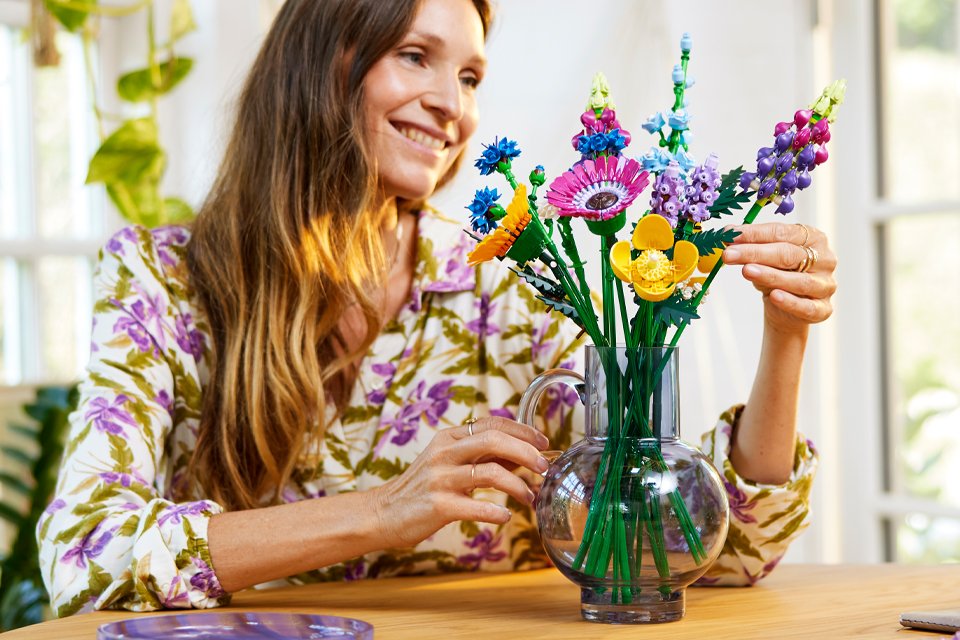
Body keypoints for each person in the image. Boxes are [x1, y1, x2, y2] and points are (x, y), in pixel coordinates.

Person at [37, 0, 835, 616]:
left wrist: (787, 333)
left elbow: (707, 550)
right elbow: (82, 557)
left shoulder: (512, 284)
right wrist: (383, 512)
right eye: (416, 56)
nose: (452, 103)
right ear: (318, 65)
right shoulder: (163, 278)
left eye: (470, 77)